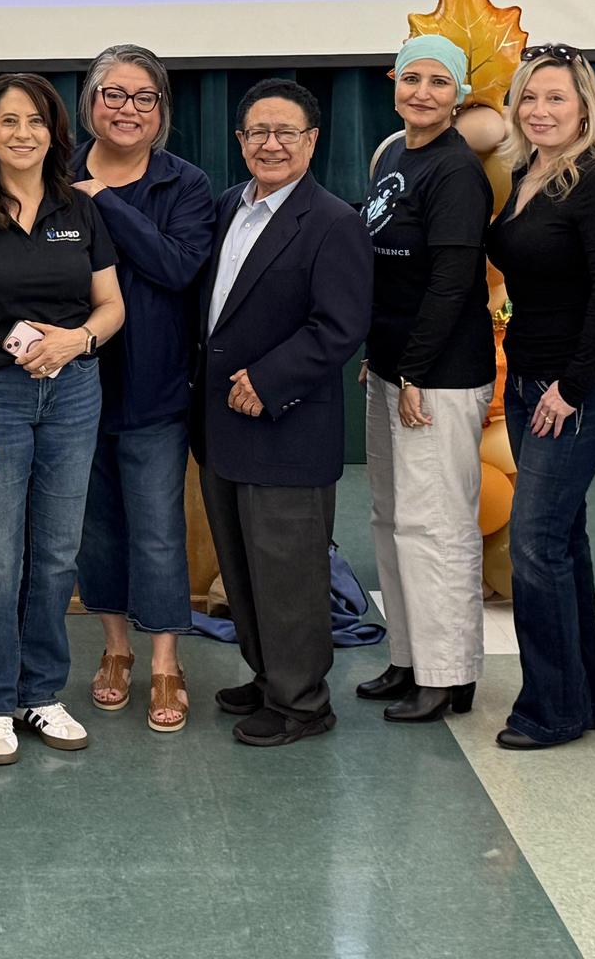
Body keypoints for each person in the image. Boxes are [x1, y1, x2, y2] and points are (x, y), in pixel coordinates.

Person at [0, 74, 125, 765]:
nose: (23, 133)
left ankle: (42, 693)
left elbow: (111, 306)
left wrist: (77, 340)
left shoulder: (79, 209)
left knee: (57, 553)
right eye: (8, 121)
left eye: (35, 121)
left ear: (54, 131)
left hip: (72, 393)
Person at [196, 80, 372, 747]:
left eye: (285, 133)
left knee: (289, 572)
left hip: (285, 424)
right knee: (243, 566)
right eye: (257, 133)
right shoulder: (223, 209)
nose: (270, 144)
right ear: (240, 142)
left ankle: (302, 704)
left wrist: (269, 382)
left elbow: (340, 325)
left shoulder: (333, 221)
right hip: (220, 424)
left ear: (312, 141)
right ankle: (270, 676)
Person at [485, 46, 595, 751]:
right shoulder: (524, 173)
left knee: (535, 546)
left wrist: (571, 389)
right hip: (524, 383)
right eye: (529, 98)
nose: (540, 111)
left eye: (556, 99)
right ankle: (583, 695)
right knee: (564, 543)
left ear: (585, 108)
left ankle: (550, 707)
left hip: (571, 394)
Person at [69, 45, 215, 733]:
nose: (127, 109)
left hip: (155, 389)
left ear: (161, 112)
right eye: (113, 95)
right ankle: (117, 652)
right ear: (90, 103)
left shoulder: (184, 185)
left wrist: (104, 207)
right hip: (70, 387)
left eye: (143, 97)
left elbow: (177, 266)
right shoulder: (52, 170)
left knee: (157, 533)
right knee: (97, 530)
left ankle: (164, 662)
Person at [359, 34, 496, 724]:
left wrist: (414, 369)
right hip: (390, 367)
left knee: (436, 525)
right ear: (392, 81)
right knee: (392, 520)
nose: (422, 93)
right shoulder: (392, 153)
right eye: (411, 78)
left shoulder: (456, 171)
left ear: (459, 93)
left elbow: (450, 282)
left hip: (436, 376)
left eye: (438, 82)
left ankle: (448, 675)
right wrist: (379, 357)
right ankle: (409, 659)